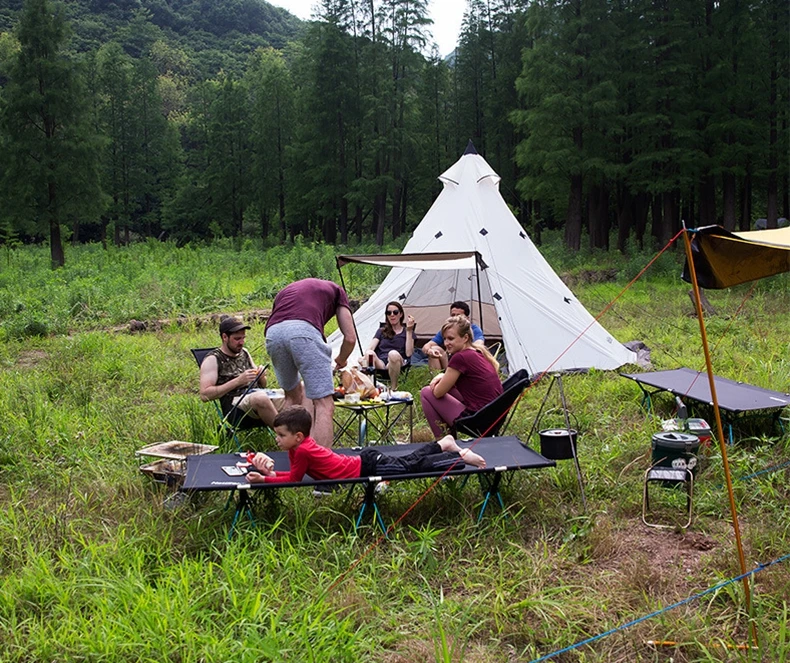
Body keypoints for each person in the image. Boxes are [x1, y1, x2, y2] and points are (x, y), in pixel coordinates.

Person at [246, 406, 485, 484]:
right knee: (408, 462)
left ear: (298, 436)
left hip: (369, 468)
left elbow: (295, 480)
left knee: (414, 467)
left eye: (280, 435)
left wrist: (265, 478)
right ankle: (444, 443)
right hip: (366, 462)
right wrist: (271, 472)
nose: (277, 439)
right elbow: (294, 475)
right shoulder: (297, 447)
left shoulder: (303, 450)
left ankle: (460, 457)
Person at [265, 278, 356, 449]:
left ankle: (294, 456)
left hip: (273, 333)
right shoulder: (337, 291)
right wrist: (341, 359)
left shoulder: (286, 290)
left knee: (291, 396)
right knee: (324, 403)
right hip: (303, 331)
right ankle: (321, 464)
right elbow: (350, 338)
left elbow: (282, 319)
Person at [419, 315, 503, 438]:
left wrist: (439, 378)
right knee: (450, 388)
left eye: (451, 339)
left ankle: (444, 442)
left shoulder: (460, 357)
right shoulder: (477, 352)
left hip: (479, 421)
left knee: (427, 392)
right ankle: (448, 439)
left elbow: (437, 393)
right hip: (494, 416)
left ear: (465, 338)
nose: (446, 343)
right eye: (445, 339)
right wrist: (442, 375)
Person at [199, 316, 278, 426]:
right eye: (237, 339)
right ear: (225, 337)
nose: (241, 342)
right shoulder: (212, 359)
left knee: (298, 391)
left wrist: (261, 376)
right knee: (261, 398)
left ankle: (303, 438)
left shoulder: (244, 352)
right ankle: (286, 438)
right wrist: (238, 381)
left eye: (243, 338)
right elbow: (204, 395)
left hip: (259, 396)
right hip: (236, 407)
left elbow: (263, 385)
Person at [357, 301, 415, 389]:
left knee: (393, 354)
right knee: (369, 353)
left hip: (397, 362)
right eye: (389, 313)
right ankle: (371, 387)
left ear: (401, 314)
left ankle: (393, 388)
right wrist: (364, 358)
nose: (392, 315)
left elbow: (409, 353)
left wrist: (409, 330)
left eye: (395, 312)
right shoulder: (381, 331)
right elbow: (370, 348)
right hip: (381, 364)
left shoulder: (407, 332)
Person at [420, 301, 485, 370]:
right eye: (453, 315)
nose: (455, 318)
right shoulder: (447, 330)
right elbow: (426, 346)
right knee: (434, 349)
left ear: (467, 319)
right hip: (450, 360)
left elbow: (479, 346)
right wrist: (430, 351)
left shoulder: (474, 330)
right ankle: (437, 377)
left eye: (459, 316)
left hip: (466, 361)